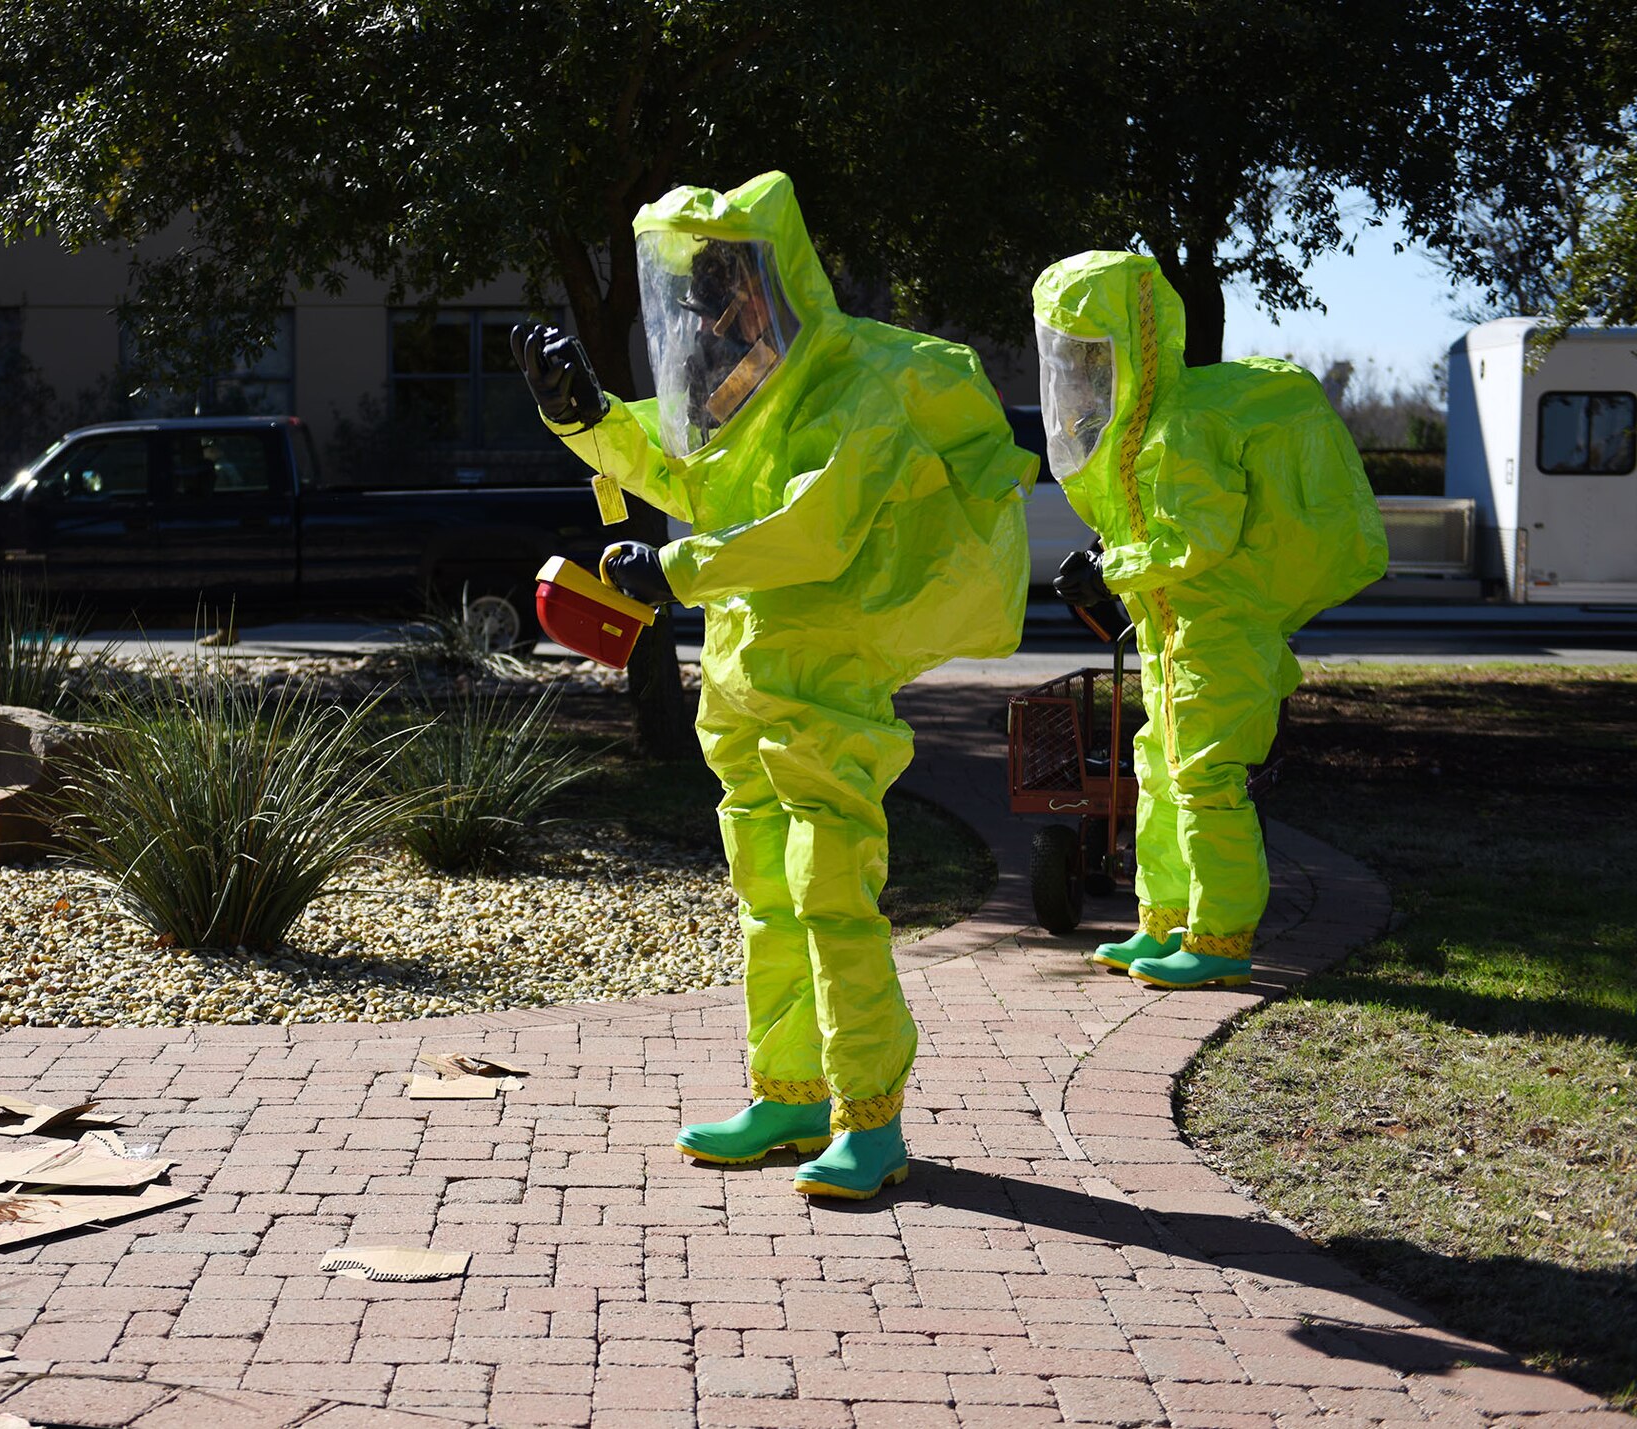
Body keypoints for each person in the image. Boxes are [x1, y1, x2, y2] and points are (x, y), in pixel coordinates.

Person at [512, 171, 1035, 1199]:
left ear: (774, 280)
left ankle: (868, 1118)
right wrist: (584, 420)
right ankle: (789, 1092)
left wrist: (675, 572)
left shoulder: (854, 388)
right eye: (699, 295)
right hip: (744, 673)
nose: (713, 313)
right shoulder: (744, 391)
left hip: (828, 673)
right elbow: (687, 479)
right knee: (766, 895)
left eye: (728, 287)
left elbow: (814, 528)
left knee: (831, 896)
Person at [1033, 250, 1388, 990]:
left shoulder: (1184, 423)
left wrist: (1111, 571)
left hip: (1220, 634)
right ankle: (1162, 923)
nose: (1079, 369)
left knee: (1205, 782)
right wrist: (1107, 558)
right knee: (1158, 774)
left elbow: (1201, 538)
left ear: (1134, 342)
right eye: (1071, 353)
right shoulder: (1141, 432)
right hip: (1173, 637)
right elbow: (1155, 533)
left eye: (1093, 351)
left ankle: (1222, 938)